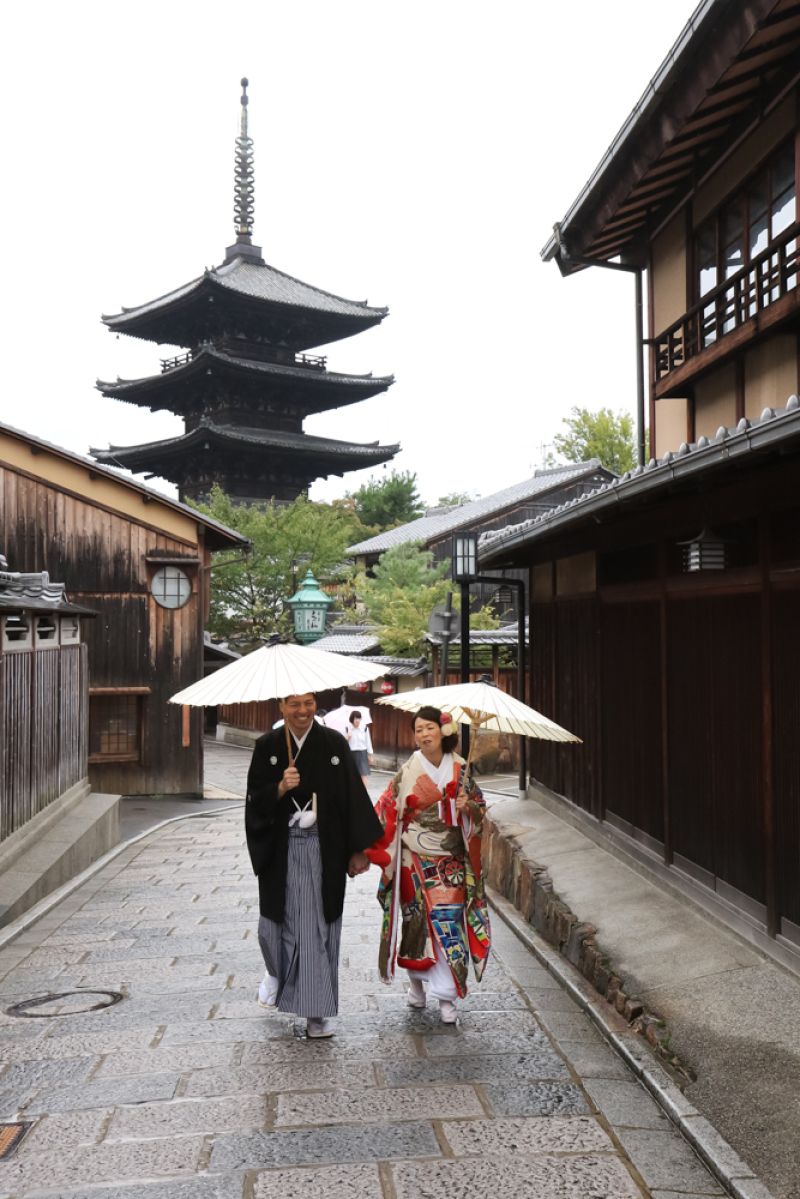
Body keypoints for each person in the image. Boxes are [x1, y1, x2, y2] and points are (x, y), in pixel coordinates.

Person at [245, 691, 383, 1038]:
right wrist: (280, 788)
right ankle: (276, 972)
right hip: (281, 849)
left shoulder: (333, 743)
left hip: (324, 849)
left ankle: (316, 1012)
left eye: (308, 703)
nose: (302, 710)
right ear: (281, 706)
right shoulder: (267, 746)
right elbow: (254, 801)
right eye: (294, 704)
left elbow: (352, 796)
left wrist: (358, 849)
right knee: (270, 929)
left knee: (316, 928)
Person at [365, 705, 491, 1022]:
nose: (423, 734)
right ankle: (416, 985)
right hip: (413, 860)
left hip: (451, 861)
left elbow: (480, 808)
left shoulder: (461, 768)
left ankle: (447, 998)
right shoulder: (408, 771)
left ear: (443, 731)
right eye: (418, 729)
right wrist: (365, 846)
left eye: (429, 728)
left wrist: (468, 808)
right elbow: (386, 809)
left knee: (449, 924)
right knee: (416, 926)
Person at [346, 711, 373, 786]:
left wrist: (370, 756)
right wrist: (348, 737)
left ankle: (363, 792)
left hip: (362, 753)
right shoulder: (347, 729)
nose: (357, 720)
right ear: (352, 719)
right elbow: (343, 743)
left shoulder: (364, 728)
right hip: (351, 753)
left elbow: (368, 742)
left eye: (359, 718)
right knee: (351, 774)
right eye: (355, 718)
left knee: (363, 774)